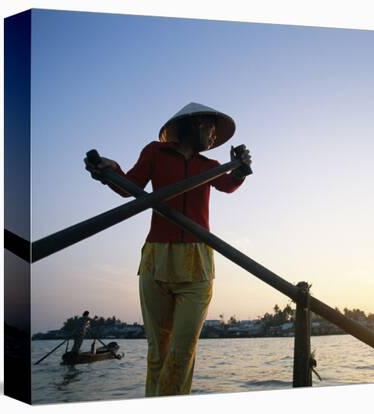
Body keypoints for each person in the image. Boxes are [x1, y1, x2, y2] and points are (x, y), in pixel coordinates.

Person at [84, 102, 252, 397]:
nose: (214, 138)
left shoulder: (209, 167)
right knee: (158, 352)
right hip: (157, 259)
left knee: (182, 351)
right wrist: (109, 171)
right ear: (196, 125)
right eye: (211, 130)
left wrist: (241, 168)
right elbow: (129, 186)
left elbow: (228, 184)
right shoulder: (154, 152)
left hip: (197, 260)